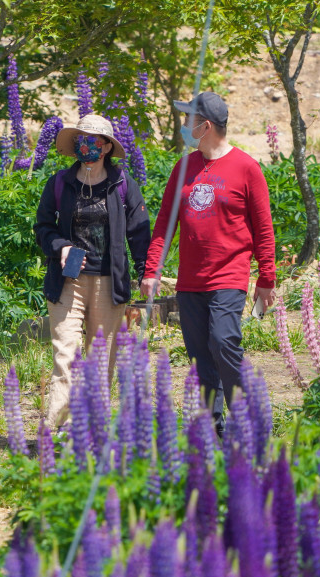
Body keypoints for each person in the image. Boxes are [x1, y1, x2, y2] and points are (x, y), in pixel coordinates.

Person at [140, 92, 277, 434]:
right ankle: (211, 430)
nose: (184, 126)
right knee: (200, 356)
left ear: (206, 126)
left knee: (223, 341)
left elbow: (263, 228)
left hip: (228, 276)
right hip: (190, 281)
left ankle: (246, 419)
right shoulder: (183, 168)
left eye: (190, 120)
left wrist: (267, 278)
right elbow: (164, 225)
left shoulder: (246, 167)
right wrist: (152, 270)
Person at [34, 114, 151, 430]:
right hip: (68, 280)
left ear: (106, 147)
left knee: (100, 364)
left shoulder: (123, 184)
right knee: (66, 359)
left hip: (108, 282)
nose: (86, 145)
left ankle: (89, 431)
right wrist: (61, 247)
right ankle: (52, 431)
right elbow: (42, 226)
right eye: (81, 139)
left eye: (93, 140)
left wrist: (145, 272)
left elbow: (139, 231)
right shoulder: (60, 182)